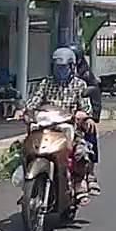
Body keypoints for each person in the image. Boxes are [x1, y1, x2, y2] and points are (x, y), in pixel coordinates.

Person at [17, 47, 97, 203]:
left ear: (72, 67)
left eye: (63, 67)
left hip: (68, 127)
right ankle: (28, 186)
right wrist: (23, 111)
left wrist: (83, 115)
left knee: (81, 152)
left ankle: (78, 182)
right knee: (26, 148)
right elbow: (34, 101)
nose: (60, 71)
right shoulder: (46, 83)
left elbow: (86, 106)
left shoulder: (79, 85)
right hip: (45, 126)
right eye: (57, 67)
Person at [70, 45, 102, 196]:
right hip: (61, 114)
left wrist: (91, 117)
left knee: (90, 134)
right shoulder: (55, 77)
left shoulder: (85, 75)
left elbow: (94, 94)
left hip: (81, 113)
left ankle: (90, 172)